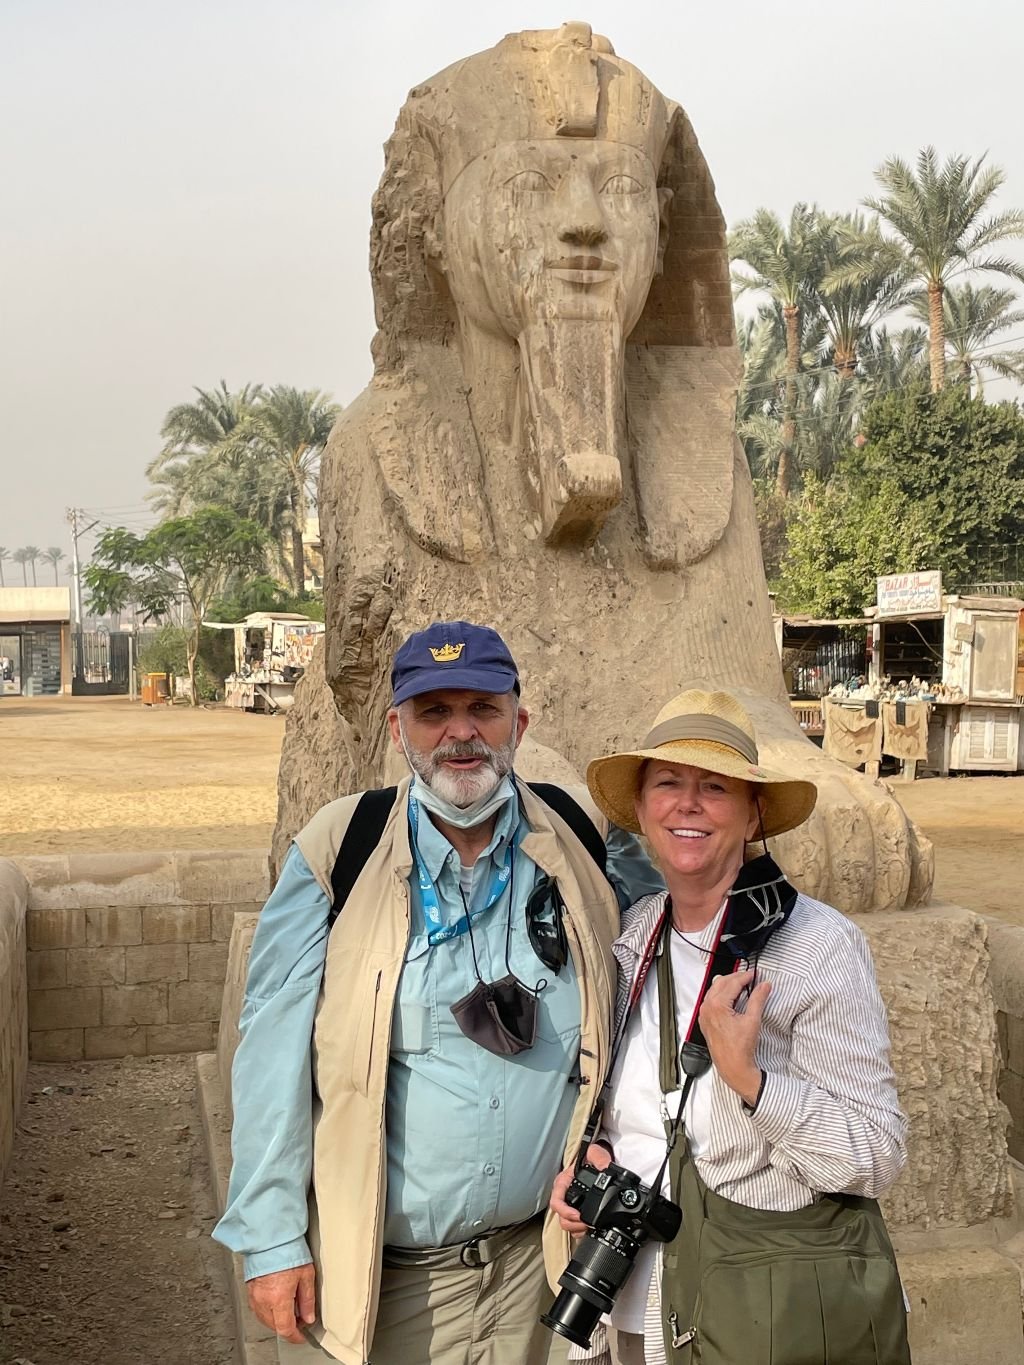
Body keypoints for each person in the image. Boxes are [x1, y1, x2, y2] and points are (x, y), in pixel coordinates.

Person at [213, 620, 664, 1365]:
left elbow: (650, 986)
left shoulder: (579, 838)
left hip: (543, 1269)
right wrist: (270, 1236)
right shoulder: (340, 851)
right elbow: (270, 1052)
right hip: (387, 1288)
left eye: (483, 709)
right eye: (435, 712)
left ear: (519, 721)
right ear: (399, 729)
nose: (462, 734)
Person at [550, 688, 910, 1365]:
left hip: (757, 1319)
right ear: (644, 810)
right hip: (631, 1312)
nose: (687, 804)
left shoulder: (818, 946)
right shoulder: (635, 932)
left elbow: (877, 1153)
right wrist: (589, 1157)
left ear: (754, 813)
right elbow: (629, 1107)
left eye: (714, 786)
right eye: (668, 783)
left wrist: (752, 1080)